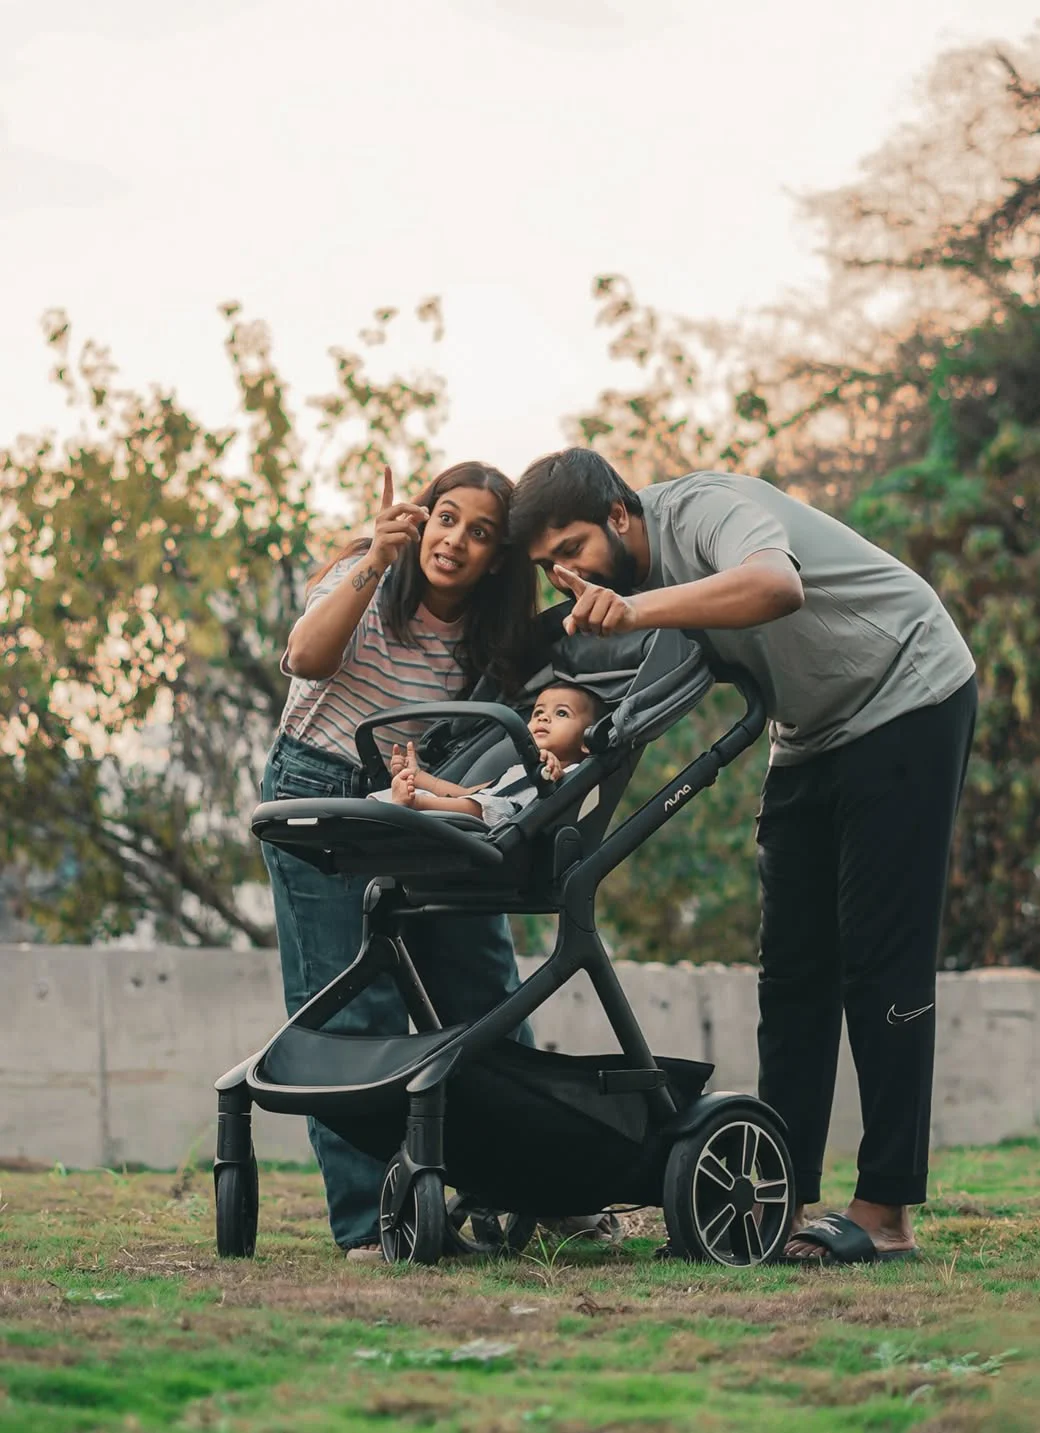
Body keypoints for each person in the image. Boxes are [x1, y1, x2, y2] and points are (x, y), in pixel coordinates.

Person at [510, 446, 978, 1266]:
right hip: (807, 730)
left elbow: (776, 584)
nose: (563, 576)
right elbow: (638, 704)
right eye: (547, 565)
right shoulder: (631, 588)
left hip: (908, 687)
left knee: (879, 959)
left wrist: (641, 609)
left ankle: (885, 1211)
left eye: (571, 550)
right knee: (792, 971)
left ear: (620, 514)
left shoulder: (707, 510)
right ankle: (777, 1199)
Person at [263, 460, 539, 1263]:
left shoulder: (491, 642)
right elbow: (307, 658)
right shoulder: (366, 569)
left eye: (480, 532)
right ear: (421, 519)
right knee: (350, 1005)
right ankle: (371, 1222)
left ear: (496, 557)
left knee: (485, 986)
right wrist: (377, 561)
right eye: (446, 517)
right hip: (318, 788)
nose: (455, 540)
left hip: (414, 803)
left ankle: (530, 1185)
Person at [375, 682, 602, 822]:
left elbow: (554, 781)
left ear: (587, 739)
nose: (543, 717)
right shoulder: (516, 770)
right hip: (475, 811)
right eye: (537, 712)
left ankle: (414, 805)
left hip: (502, 821)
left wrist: (551, 768)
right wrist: (417, 776)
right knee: (383, 798)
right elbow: (467, 793)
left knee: (496, 806)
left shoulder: (572, 773)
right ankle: (387, 810)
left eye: (562, 713)